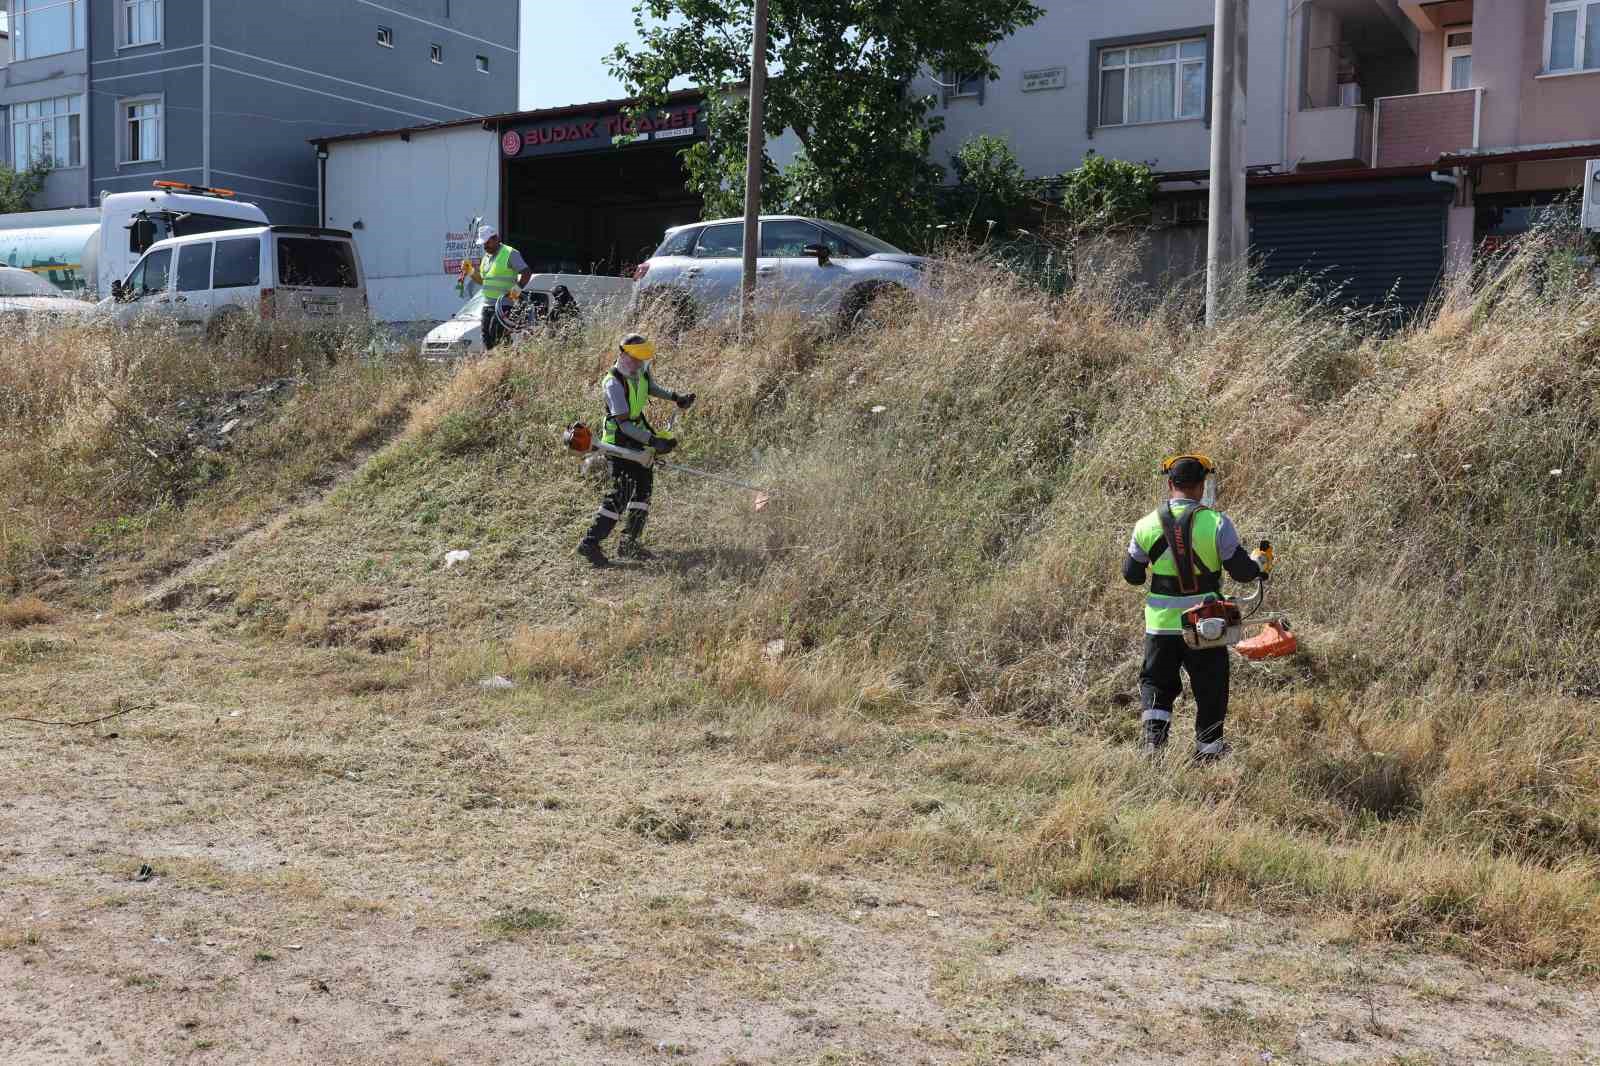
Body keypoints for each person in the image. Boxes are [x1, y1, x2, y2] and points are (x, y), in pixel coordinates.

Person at [1121, 454, 1273, 760]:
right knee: (1210, 687)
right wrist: (1259, 565)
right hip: (1207, 624)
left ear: (1170, 484)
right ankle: (1209, 752)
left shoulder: (1145, 525)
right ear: (1202, 487)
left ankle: (1153, 745)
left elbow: (1132, 575)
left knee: (1156, 683)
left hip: (1161, 624)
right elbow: (1242, 573)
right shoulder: (1216, 523)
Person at [577, 333, 696, 566]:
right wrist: (653, 441)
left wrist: (676, 397)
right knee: (621, 493)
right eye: (636, 358)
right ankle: (590, 544)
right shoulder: (613, 383)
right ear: (623, 355)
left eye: (643, 359)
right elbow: (623, 424)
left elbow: (650, 387)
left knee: (644, 488)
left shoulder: (640, 369)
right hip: (619, 442)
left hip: (638, 434)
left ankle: (629, 543)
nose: (640, 363)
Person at [459, 225, 533, 350]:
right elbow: (483, 281)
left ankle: (506, 363)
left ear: (496, 238)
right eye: (483, 243)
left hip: (503, 306)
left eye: (487, 242)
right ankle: (500, 365)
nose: (485, 246)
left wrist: (512, 295)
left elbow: (526, 273)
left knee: (498, 338)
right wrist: (470, 271)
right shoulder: (486, 258)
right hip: (487, 306)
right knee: (488, 341)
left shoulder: (510, 253)